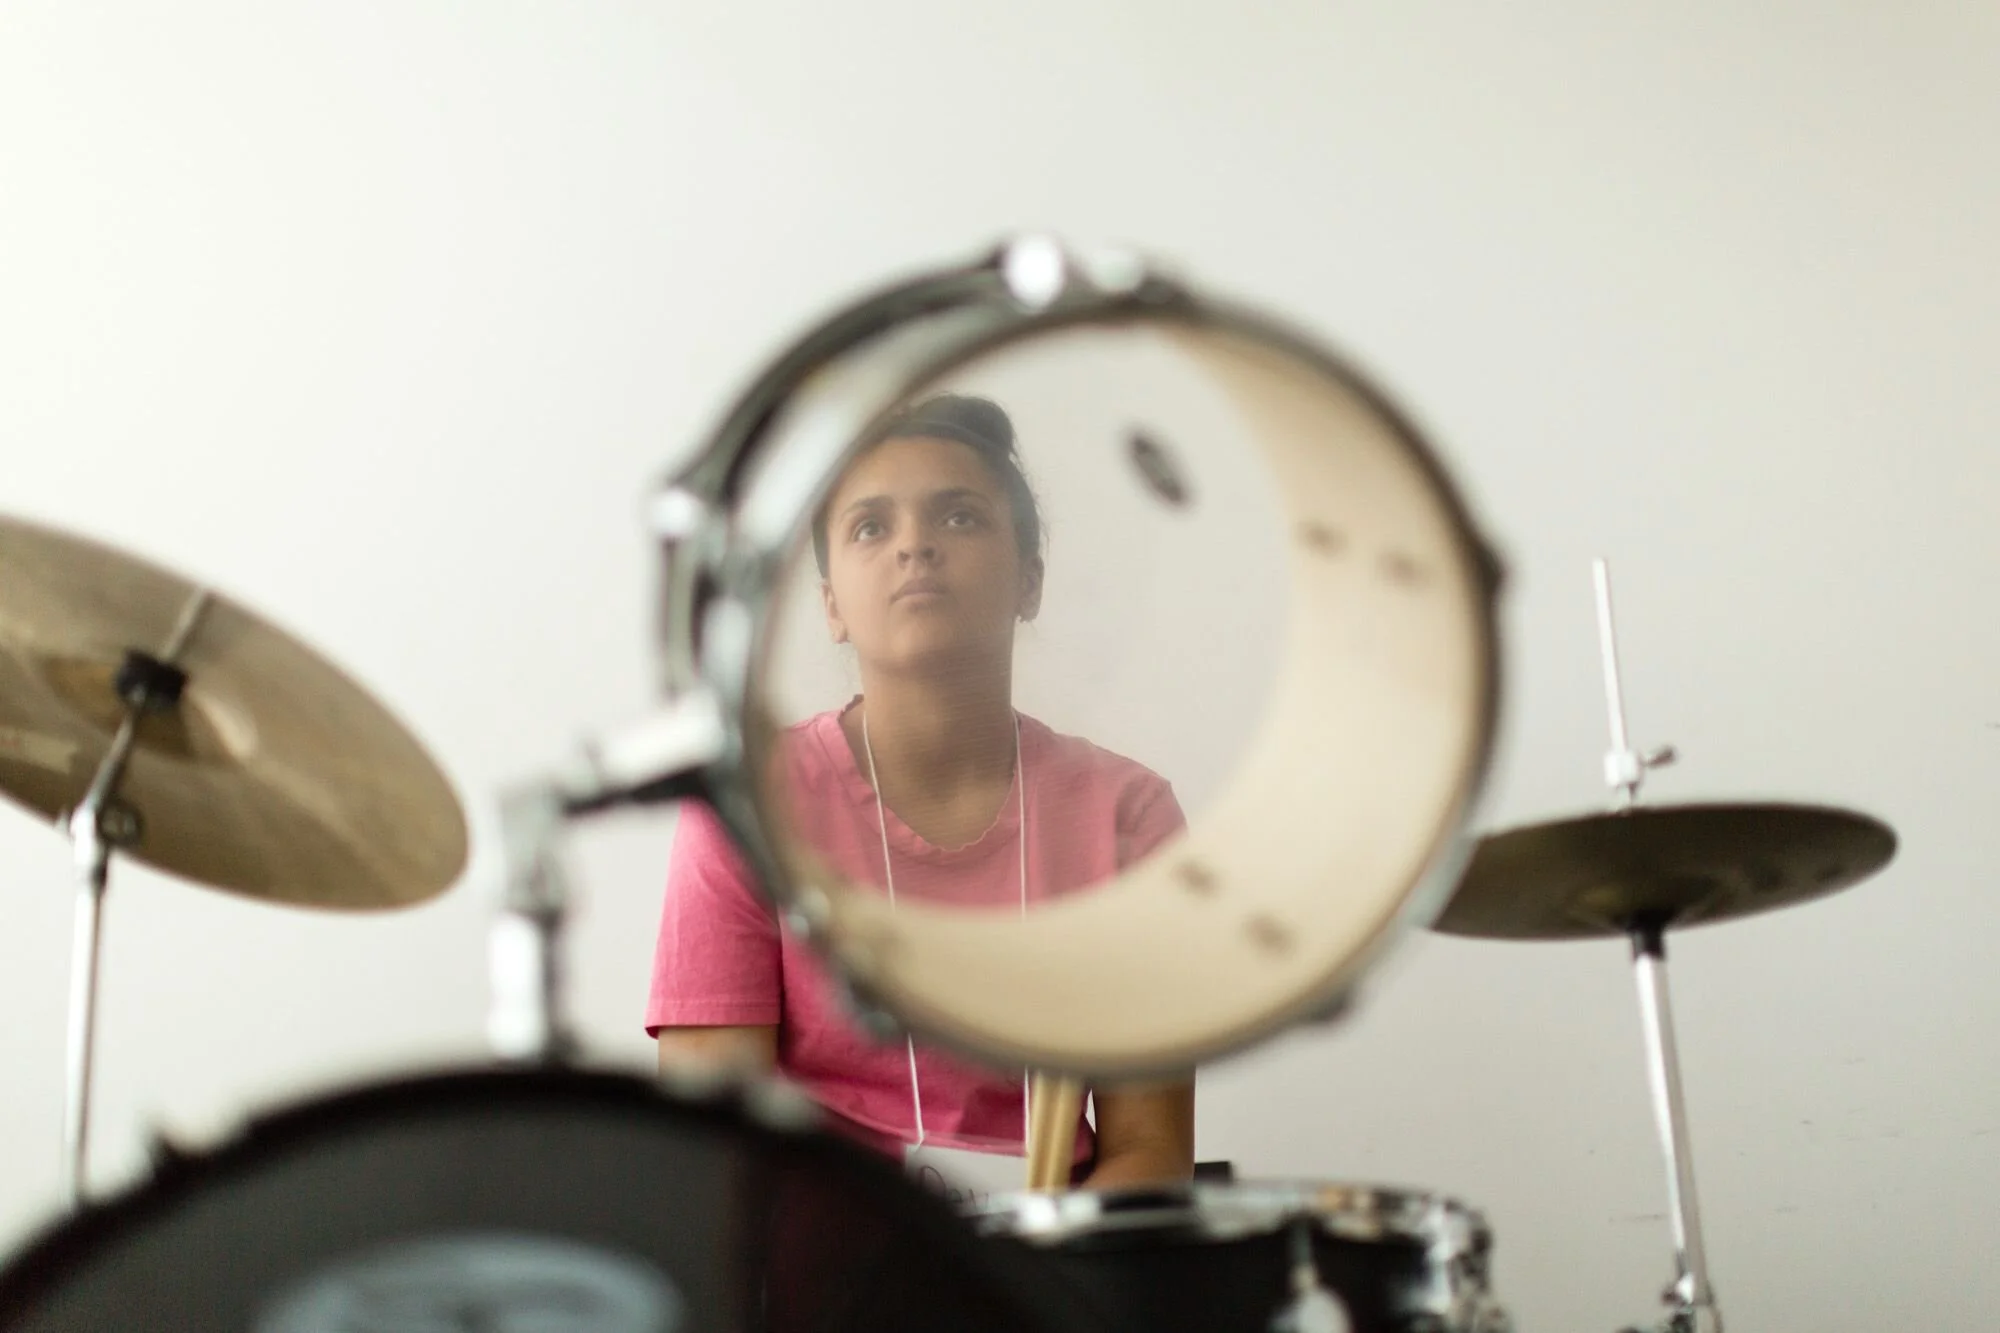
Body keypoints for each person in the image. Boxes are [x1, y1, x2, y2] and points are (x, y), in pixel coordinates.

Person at [648, 392, 1195, 1190]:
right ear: (831, 603)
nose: (916, 548)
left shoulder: (1127, 814)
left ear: (1029, 581)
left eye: (960, 517)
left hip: (1052, 1280)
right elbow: (715, 1155)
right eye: (871, 526)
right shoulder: (748, 810)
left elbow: (1149, 1151)